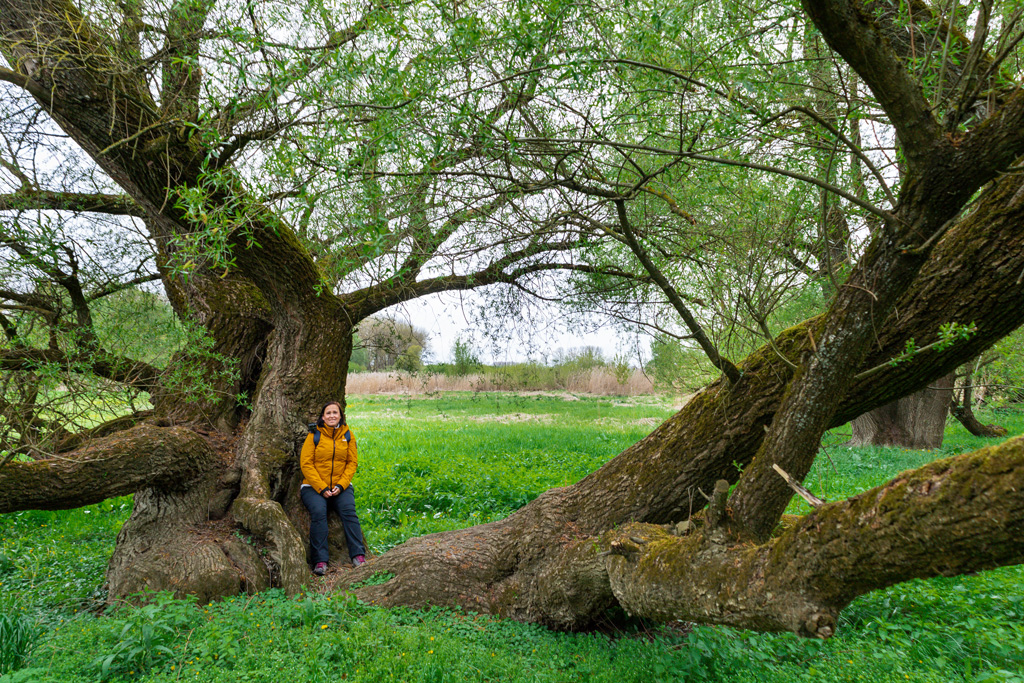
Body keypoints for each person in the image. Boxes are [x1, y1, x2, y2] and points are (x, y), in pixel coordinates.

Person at [299, 401, 367, 575]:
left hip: (340, 486)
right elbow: (306, 464)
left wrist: (340, 485)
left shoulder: (348, 435)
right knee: (318, 512)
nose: (331, 416)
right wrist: (322, 488)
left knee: (349, 511)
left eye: (335, 413)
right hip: (313, 487)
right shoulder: (314, 435)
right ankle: (320, 561)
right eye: (328, 413)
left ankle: (358, 555)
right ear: (323, 417)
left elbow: (352, 463)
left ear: (340, 416)